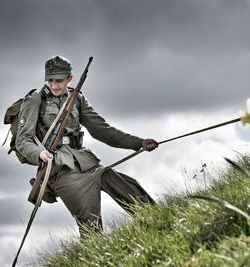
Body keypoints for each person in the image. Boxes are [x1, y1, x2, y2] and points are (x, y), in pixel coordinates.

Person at [16, 55, 158, 233]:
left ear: (70, 78)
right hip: (61, 171)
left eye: (59, 80)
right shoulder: (35, 100)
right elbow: (23, 140)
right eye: (50, 80)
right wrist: (39, 154)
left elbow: (102, 130)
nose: (54, 85)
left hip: (87, 163)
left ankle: (161, 223)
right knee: (92, 228)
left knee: (130, 188)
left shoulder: (77, 99)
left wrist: (139, 142)